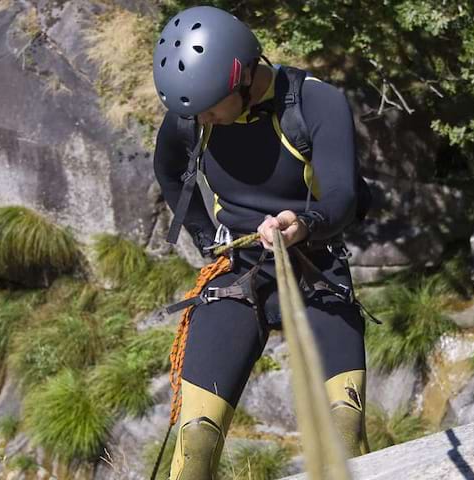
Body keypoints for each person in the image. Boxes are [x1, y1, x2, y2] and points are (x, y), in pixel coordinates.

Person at [152, 6, 370, 479]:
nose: (201, 117)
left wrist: (305, 223)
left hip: (316, 264)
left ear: (245, 77)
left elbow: (343, 195)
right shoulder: (194, 114)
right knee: (194, 451)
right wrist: (209, 240)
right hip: (237, 268)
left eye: (210, 107)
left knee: (345, 435)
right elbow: (168, 170)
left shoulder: (316, 104)